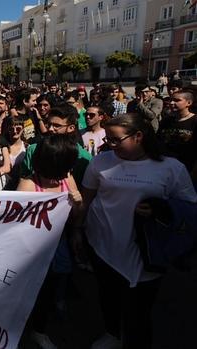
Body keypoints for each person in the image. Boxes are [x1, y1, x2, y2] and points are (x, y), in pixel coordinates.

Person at [81, 114, 197, 349]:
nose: (109, 145)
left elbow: (190, 207)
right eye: (108, 139)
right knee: (108, 296)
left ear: (138, 136)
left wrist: (161, 209)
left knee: (139, 312)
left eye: (115, 140)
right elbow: (86, 200)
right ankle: (112, 333)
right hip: (102, 244)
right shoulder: (100, 162)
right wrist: (76, 231)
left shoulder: (171, 167)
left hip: (147, 253)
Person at [16, 134, 83, 349]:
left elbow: (76, 217)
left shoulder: (67, 179)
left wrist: (78, 204)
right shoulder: (27, 185)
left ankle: (39, 330)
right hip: (30, 250)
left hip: (58, 245)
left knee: (49, 290)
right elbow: (16, 223)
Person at [158, 91, 197, 180]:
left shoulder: (194, 121)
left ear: (189, 103)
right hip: (165, 169)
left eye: (176, 100)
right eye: (171, 100)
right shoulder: (166, 121)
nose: (171, 103)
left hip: (188, 170)